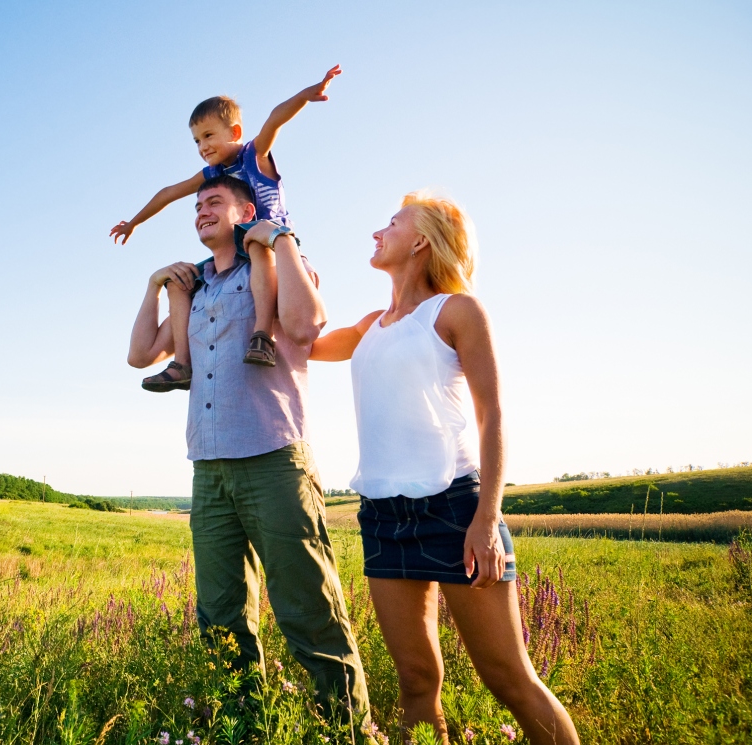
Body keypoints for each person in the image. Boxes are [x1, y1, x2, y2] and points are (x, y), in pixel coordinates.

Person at [309, 192, 580, 744]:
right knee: (415, 682)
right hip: (383, 516)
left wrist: (486, 519)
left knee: (508, 678)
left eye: (390, 223)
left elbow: (493, 414)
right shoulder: (370, 327)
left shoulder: (456, 311)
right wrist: (284, 261)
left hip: (456, 509)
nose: (376, 232)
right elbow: (300, 343)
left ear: (420, 241)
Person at [127, 174, 371, 732]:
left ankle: (349, 732)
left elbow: (308, 326)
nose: (200, 211)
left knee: (309, 608)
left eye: (213, 202)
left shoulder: (275, 266)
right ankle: (243, 727)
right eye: (195, 206)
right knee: (220, 616)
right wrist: (154, 286)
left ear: (244, 211)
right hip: (208, 468)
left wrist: (279, 238)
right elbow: (140, 354)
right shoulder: (198, 289)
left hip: (273, 459)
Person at [113, 65, 342, 391]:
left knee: (254, 243)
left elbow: (274, 119)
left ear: (234, 133)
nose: (202, 146)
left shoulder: (253, 155)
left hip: (270, 240)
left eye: (208, 136)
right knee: (181, 281)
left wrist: (306, 95)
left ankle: (262, 334)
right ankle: (182, 363)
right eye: (196, 141)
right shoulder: (211, 174)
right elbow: (168, 192)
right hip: (236, 250)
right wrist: (134, 222)